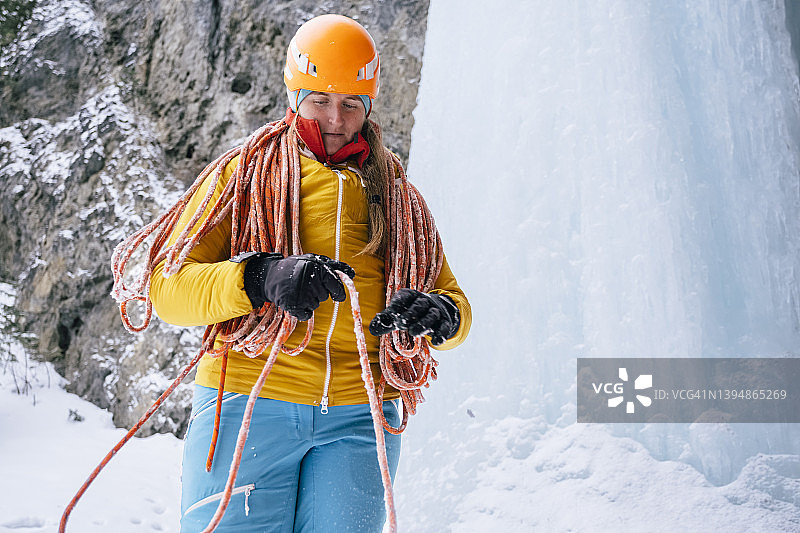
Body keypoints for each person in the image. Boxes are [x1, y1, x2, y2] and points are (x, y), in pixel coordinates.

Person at [145, 13, 471, 533]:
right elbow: (166, 287)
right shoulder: (245, 177)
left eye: (350, 104)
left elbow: (454, 302)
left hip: (361, 418)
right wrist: (259, 278)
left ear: (368, 107)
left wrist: (441, 315)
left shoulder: (398, 198)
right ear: (295, 95)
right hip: (247, 404)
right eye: (320, 100)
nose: (335, 119)